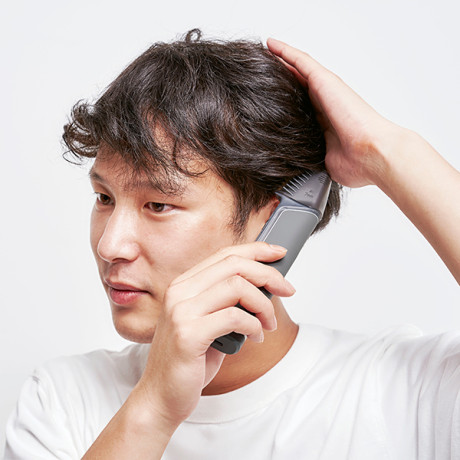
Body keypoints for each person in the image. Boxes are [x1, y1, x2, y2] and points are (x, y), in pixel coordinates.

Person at [4, 29, 460, 459]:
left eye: (158, 204)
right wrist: (153, 410)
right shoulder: (63, 400)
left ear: (277, 219)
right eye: (104, 198)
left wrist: (387, 151)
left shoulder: (408, 390)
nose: (110, 246)